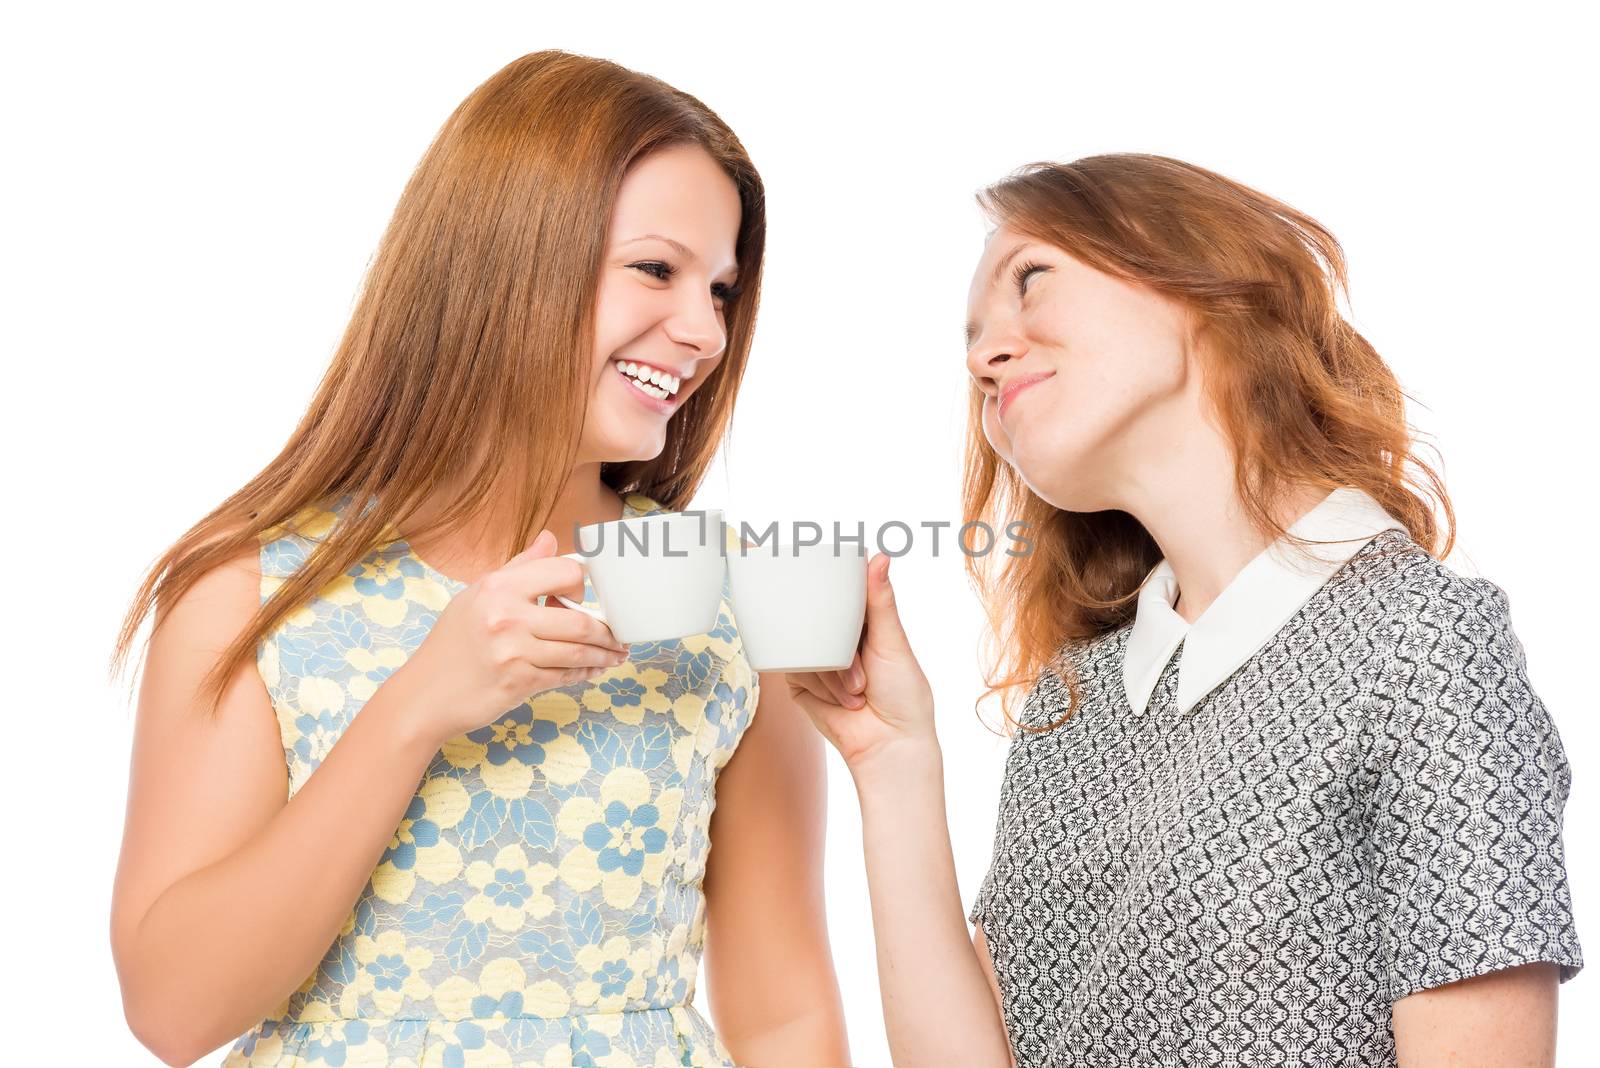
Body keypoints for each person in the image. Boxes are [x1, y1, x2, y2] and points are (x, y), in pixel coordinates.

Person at [109, 50, 849, 1067]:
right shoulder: (251, 591)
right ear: (506, 257)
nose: (703, 331)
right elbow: (173, 1011)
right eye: (655, 269)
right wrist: (417, 706)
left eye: (720, 289)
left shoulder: (729, 591)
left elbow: (784, 1014)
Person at [791, 153, 1582, 1066]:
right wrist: (892, 759)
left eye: (1031, 280)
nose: (982, 355)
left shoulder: (1420, 642)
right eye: (972, 336)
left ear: (1202, 281)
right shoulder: (1075, 696)